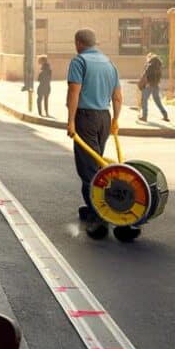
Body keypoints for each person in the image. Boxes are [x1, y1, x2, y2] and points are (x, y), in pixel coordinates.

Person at [65, 28, 123, 239]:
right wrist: (115, 120)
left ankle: (99, 217)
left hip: (86, 117)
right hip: (104, 118)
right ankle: (95, 207)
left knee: (88, 170)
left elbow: (74, 91)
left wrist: (71, 121)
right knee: (98, 164)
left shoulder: (79, 61)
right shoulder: (110, 64)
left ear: (78, 43)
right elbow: (117, 96)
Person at [138, 52, 170, 122]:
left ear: (149, 57)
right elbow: (158, 77)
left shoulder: (149, 65)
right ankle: (165, 115)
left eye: (147, 58)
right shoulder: (158, 66)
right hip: (155, 85)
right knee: (157, 101)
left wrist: (144, 83)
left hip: (148, 85)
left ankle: (144, 116)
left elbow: (145, 75)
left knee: (144, 100)